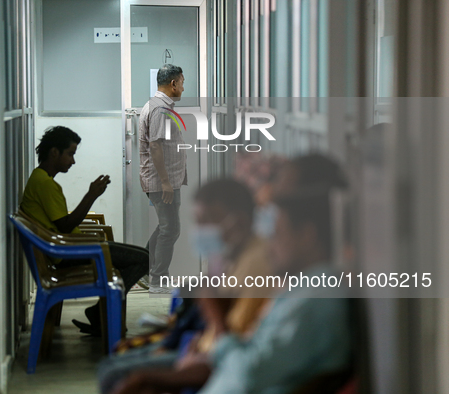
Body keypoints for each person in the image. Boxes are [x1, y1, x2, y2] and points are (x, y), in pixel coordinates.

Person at [112, 153, 355, 394]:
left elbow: (247, 370)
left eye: (277, 233)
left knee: (117, 374)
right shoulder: (301, 287)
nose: (269, 244)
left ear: (308, 234)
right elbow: (248, 351)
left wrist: (215, 317)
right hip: (211, 364)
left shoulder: (314, 296)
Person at [105, 178, 271, 394]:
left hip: (212, 360)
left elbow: (232, 340)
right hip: (202, 347)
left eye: (206, 221)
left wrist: (209, 315)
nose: (199, 230)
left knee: (114, 373)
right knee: (116, 362)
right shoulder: (231, 254)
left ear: (237, 221)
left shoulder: (255, 263)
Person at [20, 125, 149, 335]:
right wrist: (91, 195)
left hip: (73, 249)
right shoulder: (45, 184)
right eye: (70, 154)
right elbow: (65, 225)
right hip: (70, 253)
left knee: (143, 257)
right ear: (54, 152)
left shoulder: (40, 180)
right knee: (144, 259)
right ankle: (101, 312)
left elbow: (61, 225)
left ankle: (100, 312)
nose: (73, 160)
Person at [139, 64, 187, 293]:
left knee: (166, 227)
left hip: (165, 180)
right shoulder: (160, 109)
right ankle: (158, 280)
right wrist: (166, 182)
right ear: (173, 84)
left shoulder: (158, 105)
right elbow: (155, 146)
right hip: (162, 182)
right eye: (182, 82)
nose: (183, 88)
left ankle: (144, 270)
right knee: (171, 229)